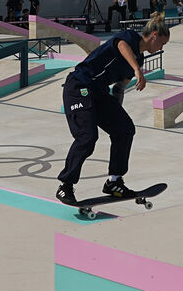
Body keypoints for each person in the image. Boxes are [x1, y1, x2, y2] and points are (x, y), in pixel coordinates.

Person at [54, 12, 172, 207]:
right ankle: (65, 185)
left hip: (99, 94)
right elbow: (120, 45)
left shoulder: (140, 60)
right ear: (154, 36)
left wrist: (116, 115)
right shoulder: (129, 37)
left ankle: (114, 181)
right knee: (87, 137)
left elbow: (119, 88)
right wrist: (137, 70)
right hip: (79, 87)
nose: (161, 48)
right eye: (162, 43)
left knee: (125, 129)